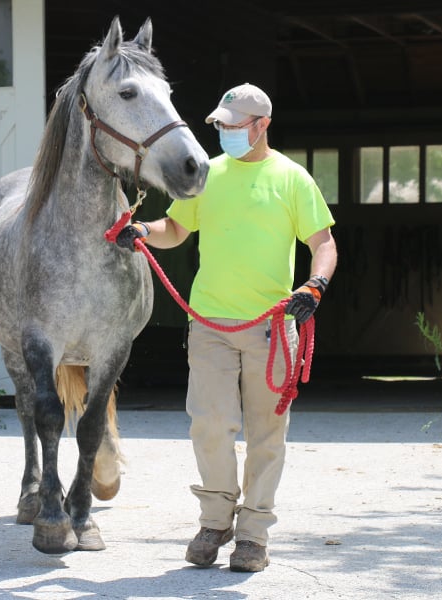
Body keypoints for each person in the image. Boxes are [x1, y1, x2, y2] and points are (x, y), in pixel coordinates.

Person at [116, 82, 338, 572]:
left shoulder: (293, 179)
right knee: (210, 426)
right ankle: (215, 521)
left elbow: (323, 243)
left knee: (266, 434)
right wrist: (143, 230)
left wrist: (314, 285)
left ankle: (254, 535)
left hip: (272, 328)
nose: (223, 134)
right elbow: (175, 229)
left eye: (233, 126)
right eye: (219, 126)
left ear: (262, 126)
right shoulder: (207, 175)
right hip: (210, 324)